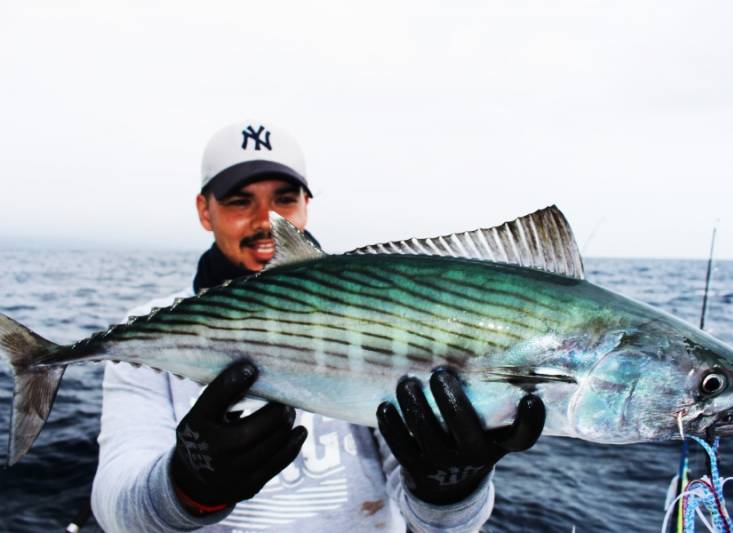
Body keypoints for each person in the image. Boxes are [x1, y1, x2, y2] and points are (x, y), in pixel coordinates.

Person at [91, 121, 546, 532]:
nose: (265, 221)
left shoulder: (381, 313)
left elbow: (439, 527)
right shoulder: (148, 340)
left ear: (307, 205)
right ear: (205, 211)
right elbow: (116, 508)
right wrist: (186, 487)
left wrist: (450, 488)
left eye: (284, 199)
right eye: (239, 201)